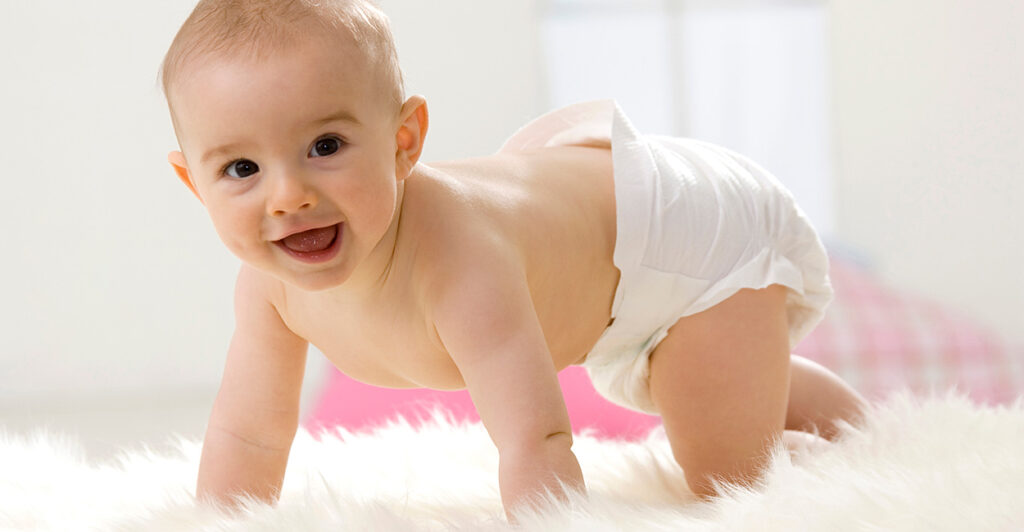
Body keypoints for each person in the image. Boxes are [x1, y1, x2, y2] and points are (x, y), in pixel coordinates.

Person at [160, 0, 868, 521]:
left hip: (681, 229)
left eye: (325, 147)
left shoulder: (461, 264)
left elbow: (536, 436)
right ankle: (752, 373)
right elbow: (247, 432)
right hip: (582, 231)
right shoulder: (268, 288)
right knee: (704, 395)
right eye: (242, 168)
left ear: (404, 141)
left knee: (726, 478)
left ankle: (834, 415)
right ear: (194, 183)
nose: (289, 197)